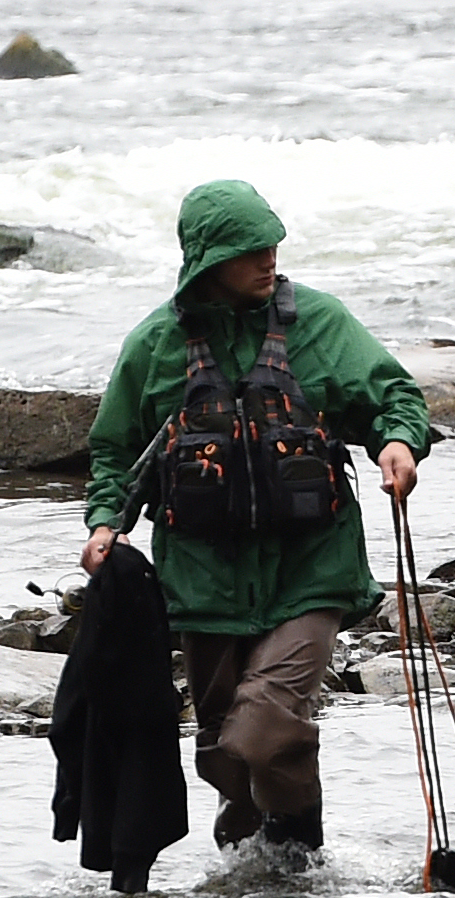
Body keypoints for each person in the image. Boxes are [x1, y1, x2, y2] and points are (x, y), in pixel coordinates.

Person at [80, 181, 430, 858]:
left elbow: (392, 395)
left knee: (265, 725)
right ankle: (252, 895)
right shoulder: (156, 344)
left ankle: (298, 862)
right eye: (251, 252)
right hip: (202, 579)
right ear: (209, 261)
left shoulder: (321, 324)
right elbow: (114, 448)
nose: (269, 262)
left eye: (273, 247)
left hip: (311, 569)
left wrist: (396, 442)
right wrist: (104, 523)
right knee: (223, 751)